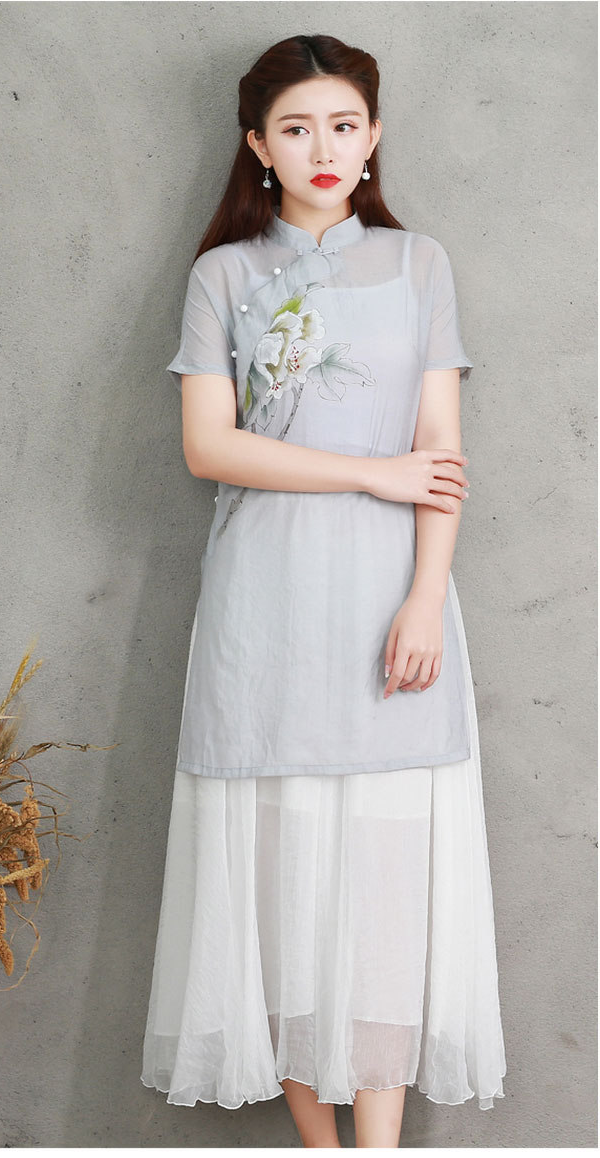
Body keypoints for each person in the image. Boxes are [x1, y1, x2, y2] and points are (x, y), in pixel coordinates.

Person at [141, 33, 506, 1148]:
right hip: (265, 608)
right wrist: (368, 472)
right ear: (258, 145)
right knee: (281, 893)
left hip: (391, 603)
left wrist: (424, 597)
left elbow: (441, 452)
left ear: (374, 135)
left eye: (343, 125)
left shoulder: (418, 265)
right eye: (296, 128)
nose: (323, 148)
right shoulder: (223, 276)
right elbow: (209, 447)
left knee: (384, 896)